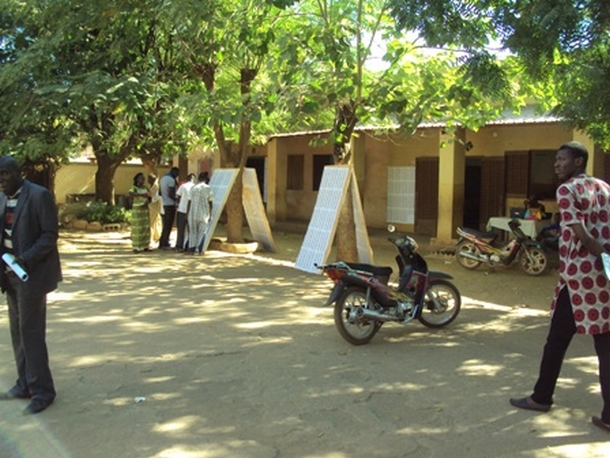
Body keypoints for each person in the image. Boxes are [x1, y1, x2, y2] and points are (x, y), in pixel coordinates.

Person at [510, 142, 610, 433]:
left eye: (562, 159)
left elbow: (581, 234)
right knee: (605, 344)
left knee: (556, 341)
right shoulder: (604, 188)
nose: (556, 164)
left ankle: (541, 397)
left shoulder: (566, 190)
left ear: (578, 161)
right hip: (603, 280)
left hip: (578, 279)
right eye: (555, 159)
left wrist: (601, 255)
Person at [0, 156, 61, 415]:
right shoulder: (2, 198)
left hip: (32, 275)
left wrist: (25, 259)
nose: (1, 180)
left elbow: (49, 235)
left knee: (30, 332)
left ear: (19, 173)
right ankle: (24, 383)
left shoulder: (39, 196)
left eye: (4, 174)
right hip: (9, 276)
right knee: (17, 330)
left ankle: (43, 391)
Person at [187, 172, 214, 255]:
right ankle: (200, 250)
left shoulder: (193, 188)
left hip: (193, 213)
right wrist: (210, 214)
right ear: (206, 179)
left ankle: (191, 250)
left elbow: (189, 201)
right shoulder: (208, 188)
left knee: (192, 232)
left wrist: (187, 213)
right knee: (202, 232)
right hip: (204, 214)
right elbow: (210, 202)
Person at [129, 173, 151, 253]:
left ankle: (145, 246)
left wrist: (148, 199)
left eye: (143, 178)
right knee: (138, 228)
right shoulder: (134, 188)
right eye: (141, 178)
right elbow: (131, 195)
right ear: (137, 179)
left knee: (145, 227)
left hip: (145, 209)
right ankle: (136, 247)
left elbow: (150, 196)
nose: (143, 180)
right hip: (137, 209)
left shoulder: (146, 188)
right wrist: (141, 195)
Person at [159, 167, 179, 249]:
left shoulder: (163, 178)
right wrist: (177, 199)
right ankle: (164, 242)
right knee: (168, 224)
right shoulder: (171, 180)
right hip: (170, 204)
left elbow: (160, 192)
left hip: (164, 204)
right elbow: (171, 193)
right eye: (177, 173)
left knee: (165, 224)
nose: (177, 176)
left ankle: (163, 241)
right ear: (173, 172)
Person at [175, 173, 196, 252]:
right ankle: (188, 246)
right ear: (193, 179)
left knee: (181, 230)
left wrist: (177, 206)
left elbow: (178, 196)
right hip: (191, 211)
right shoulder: (195, 187)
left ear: (187, 179)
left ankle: (179, 246)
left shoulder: (183, 186)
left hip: (182, 210)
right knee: (191, 230)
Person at [147, 174, 163, 246]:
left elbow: (156, 197)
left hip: (154, 207)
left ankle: (152, 238)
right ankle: (155, 236)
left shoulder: (156, 187)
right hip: (149, 206)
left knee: (153, 223)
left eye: (149, 179)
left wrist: (150, 199)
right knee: (152, 223)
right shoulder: (149, 186)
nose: (148, 180)